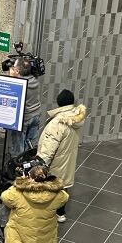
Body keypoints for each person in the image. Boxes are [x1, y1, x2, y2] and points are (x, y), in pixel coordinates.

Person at [1, 165, 68, 243]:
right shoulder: (56, 194)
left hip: (22, 234)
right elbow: (64, 197)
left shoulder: (18, 193)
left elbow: (5, 197)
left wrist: (20, 182)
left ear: (29, 177)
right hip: (45, 233)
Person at [37, 89, 87, 222]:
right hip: (68, 159)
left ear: (59, 103)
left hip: (57, 161)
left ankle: (47, 212)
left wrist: (40, 164)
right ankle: (61, 213)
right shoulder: (77, 118)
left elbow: (49, 148)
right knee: (63, 185)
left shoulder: (58, 123)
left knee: (51, 185)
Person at [6, 58, 41, 161]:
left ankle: (17, 168)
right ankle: (28, 166)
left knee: (18, 147)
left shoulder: (19, 84)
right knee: (29, 145)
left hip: (24, 118)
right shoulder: (35, 80)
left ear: (17, 71)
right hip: (36, 115)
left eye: (14, 67)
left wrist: (11, 77)